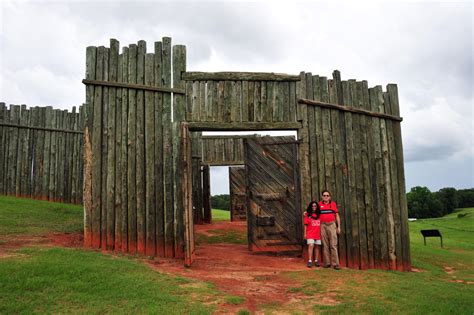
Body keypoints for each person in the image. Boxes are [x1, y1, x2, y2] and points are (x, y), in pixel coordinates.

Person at [319, 190, 341, 270]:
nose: (326, 197)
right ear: (322, 197)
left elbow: (337, 216)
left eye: (327, 195)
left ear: (330, 197)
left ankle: (335, 264)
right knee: (325, 245)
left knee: (333, 245)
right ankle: (327, 263)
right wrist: (306, 213)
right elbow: (313, 212)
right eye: (324, 195)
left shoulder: (333, 204)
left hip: (332, 225)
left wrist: (338, 227)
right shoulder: (319, 204)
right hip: (323, 225)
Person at [303, 201, 321, 268]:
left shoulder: (319, 215)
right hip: (310, 233)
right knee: (311, 245)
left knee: (317, 246)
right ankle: (310, 260)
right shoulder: (307, 215)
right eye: (312, 206)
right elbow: (305, 225)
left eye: (315, 206)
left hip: (317, 233)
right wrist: (305, 234)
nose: (314, 207)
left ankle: (316, 260)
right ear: (310, 207)